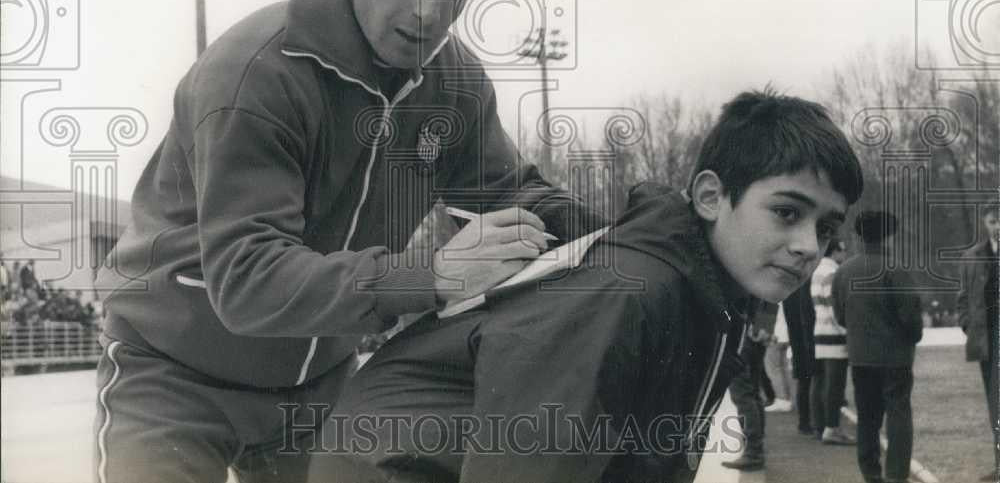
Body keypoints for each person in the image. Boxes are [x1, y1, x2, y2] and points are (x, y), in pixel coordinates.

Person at [93, 0, 603, 483]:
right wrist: (433, 275)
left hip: (317, 385)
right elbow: (248, 277)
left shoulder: (455, 86)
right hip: (173, 368)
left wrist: (634, 234)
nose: (430, 10)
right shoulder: (258, 72)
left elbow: (514, 192)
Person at [307, 89, 864, 483]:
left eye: (826, 227)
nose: (808, 246)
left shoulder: (712, 296)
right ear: (712, 197)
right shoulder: (626, 292)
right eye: (788, 213)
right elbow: (522, 468)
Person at [833, 211, 923, 483]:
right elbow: (910, 317)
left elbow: (840, 316)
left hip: (861, 356)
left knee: (867, 417)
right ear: (888, 236)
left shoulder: (844, 271)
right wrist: (913, 336)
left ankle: (871, 473)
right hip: (896, 357)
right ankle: (896, 476)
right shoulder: (896, 269)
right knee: (898, 414)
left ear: (859, 235)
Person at [957, 205, 1000, 482]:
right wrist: (967, 325)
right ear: (985, 223)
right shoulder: (972, 257)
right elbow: (963, 297)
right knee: (995, 405)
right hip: (988, 341)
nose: (998, 226)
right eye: (993, 221)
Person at [722, 302, 778, 472]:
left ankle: (753, 451)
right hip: (757, 328)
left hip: (745, 329)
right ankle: (755, 448)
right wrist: (765, 327)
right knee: (751, 392)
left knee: (743, 394)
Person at [810, 237, 854, 444]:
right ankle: (832, 427)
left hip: (820, 330)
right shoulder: (832, 273)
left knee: (820, 381)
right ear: (835, 250)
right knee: (835, 384)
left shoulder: (817, 271)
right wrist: (847, 332)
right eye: (843, 250)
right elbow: (834, 307)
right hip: (834, 334)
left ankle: (820, 425)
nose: (844, 255)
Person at [785, 279, 817, 435]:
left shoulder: (789, 286)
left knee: (803, 380)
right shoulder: (807, 283)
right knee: (814, 380)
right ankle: (811, 421)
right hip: (809, 338)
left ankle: (804, 422)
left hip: (796, 338)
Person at [763, 300, 795, 414]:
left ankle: (782, 399)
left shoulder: (772, 295)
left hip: (776, 334)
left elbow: (769, 313)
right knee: (783, 368)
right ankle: (787, 398)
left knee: (772, 368)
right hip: (785, 334)